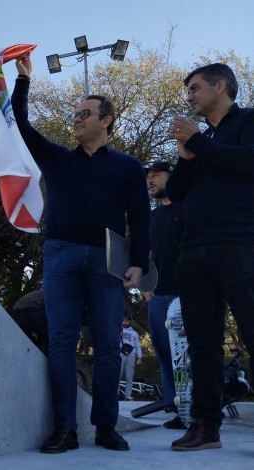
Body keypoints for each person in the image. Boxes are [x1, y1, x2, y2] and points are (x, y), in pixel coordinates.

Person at [12, 55, 151, 454]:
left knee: (108, 343)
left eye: (85, 113)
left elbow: (140, 219)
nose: (77, 119)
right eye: (75, 113)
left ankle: (106, 426)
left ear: (105, 120)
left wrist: (138, 262)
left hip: (108, 261)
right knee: (60, 342)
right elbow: (21, 124)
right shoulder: (57, 159)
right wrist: (24, 81)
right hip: (61, 257)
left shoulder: (128, 167)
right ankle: (65, 429)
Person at [166, 63, 254, 451]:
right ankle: (205, 426)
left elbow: (248, 162)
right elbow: (178, 193)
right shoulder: (202, 142)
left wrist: (198, 143)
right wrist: (187, 157)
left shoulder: (249, 121)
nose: (189, 96)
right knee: (201, 343)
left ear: (221, 87)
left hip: (240, 246)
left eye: (195, 88)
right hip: (194, 251)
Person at [143, 160, 186, 429]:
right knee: (164, 352)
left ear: (171, 176)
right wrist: (146, 289)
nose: (150, 181)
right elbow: (146, 255)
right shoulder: (151, 217)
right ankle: (176, 407)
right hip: (158, 297)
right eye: (148, 177)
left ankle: (199, 408)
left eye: (156, 175)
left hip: (186, 295)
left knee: (187, 355)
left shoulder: (188, 207)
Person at [10, 289, 48, 355]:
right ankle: (47, 355)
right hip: (28, 308)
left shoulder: (41, 293)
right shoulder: (50, 294)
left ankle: (37, 348)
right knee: (45, 334)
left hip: (16, 311)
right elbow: (46, 314)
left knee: (26, 338)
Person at [119, 315, 142, 401]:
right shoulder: (118, 330)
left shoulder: (134, 333)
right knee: (118, 376)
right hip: (120, 355)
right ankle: (115, 395)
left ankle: (128, 395)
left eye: (127, 321)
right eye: (123, 321)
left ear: (130, 322)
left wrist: (139, 357)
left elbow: (138, 346)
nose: (125, 322)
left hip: (131, 355)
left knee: (129, 377)